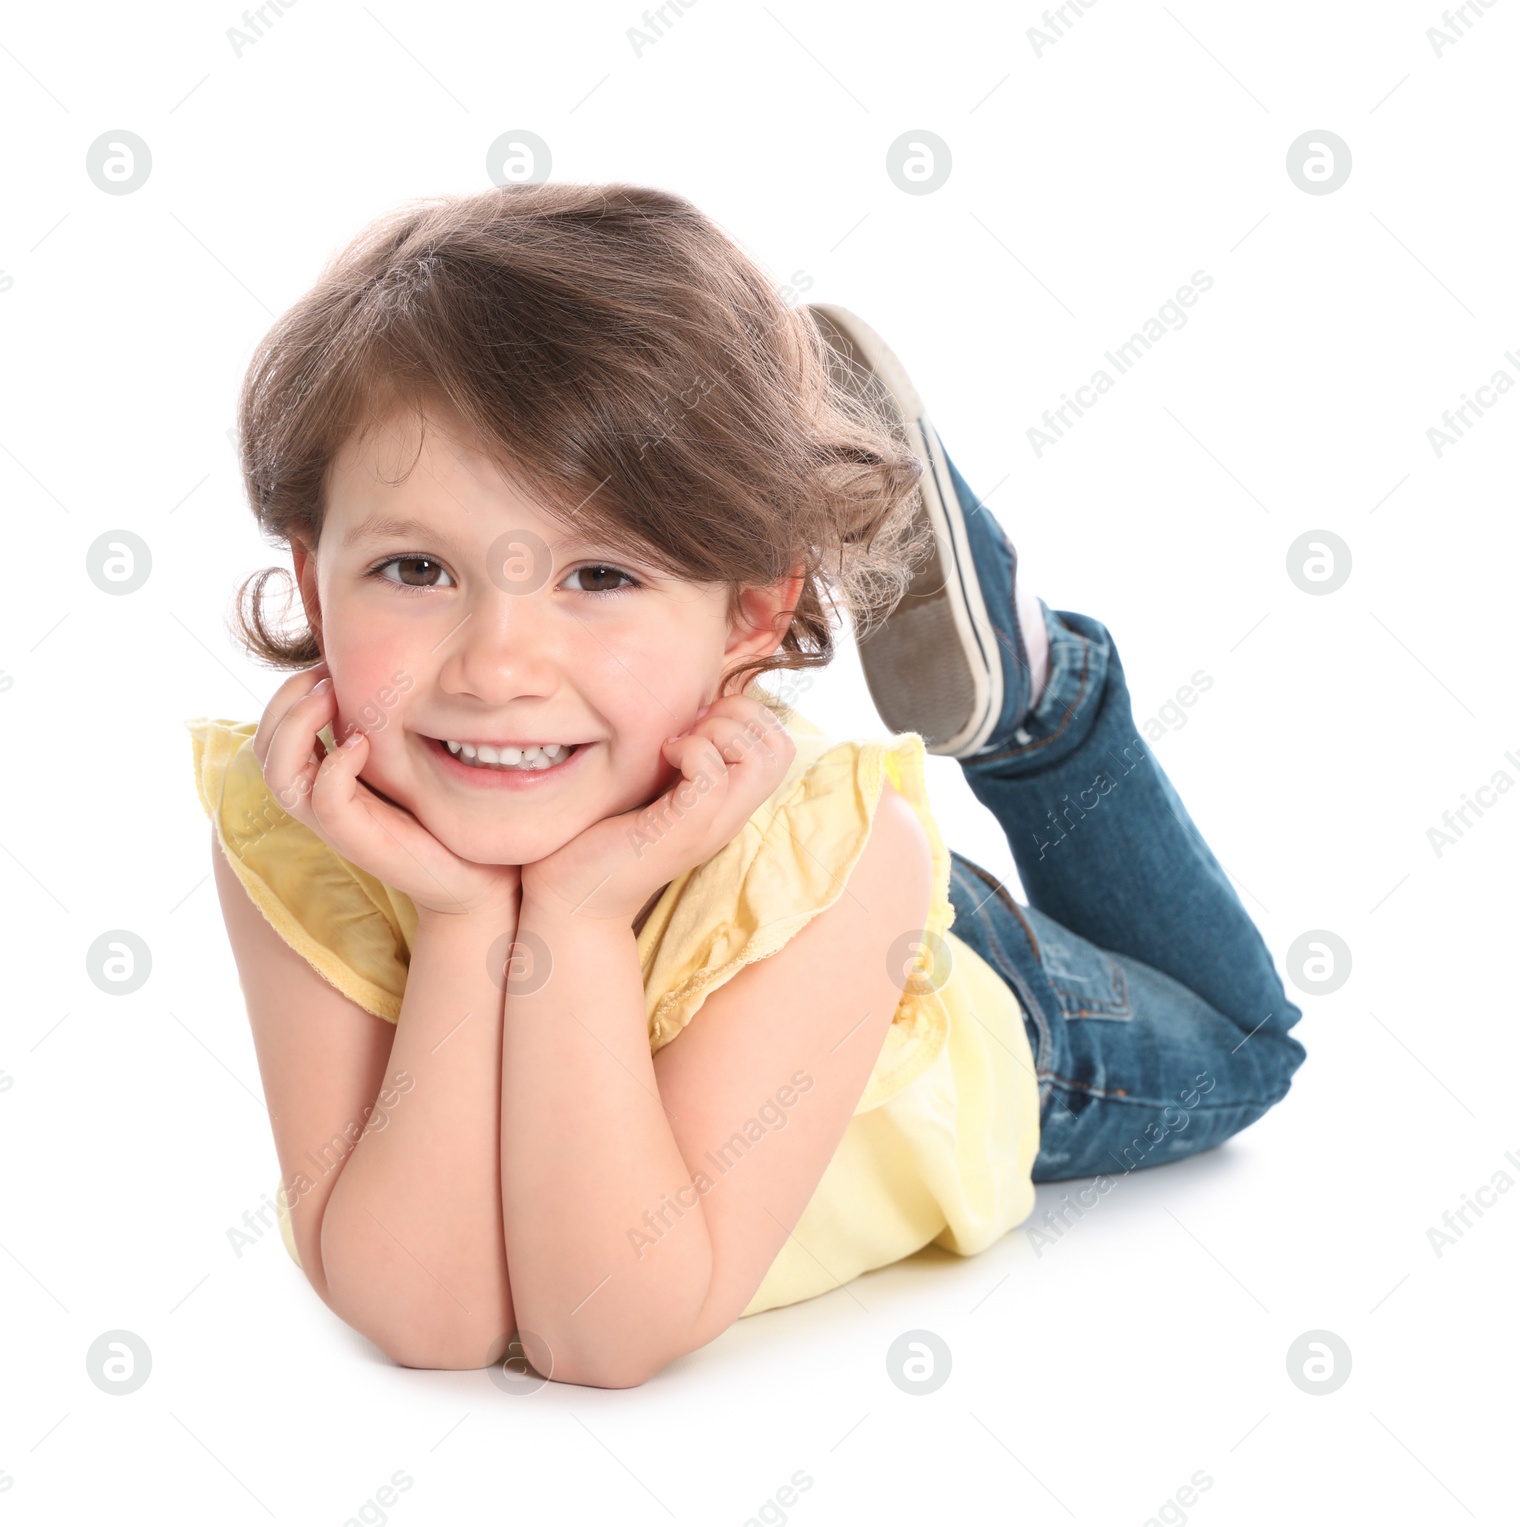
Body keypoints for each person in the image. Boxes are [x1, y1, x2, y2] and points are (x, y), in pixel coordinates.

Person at [186, 182, 1305, 1390]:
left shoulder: (840, 854)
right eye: (415, 567)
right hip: (716, 853)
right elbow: (432, 1320)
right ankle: (816, 470)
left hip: (931, 992)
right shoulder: (298, 824)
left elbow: (603, 1333)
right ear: (311, 581)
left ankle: (1043, 703)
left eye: (601, 576)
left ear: (752, 616)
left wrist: (573, 916)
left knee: (1242, 1044)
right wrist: (466, 923)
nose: (498, 669)